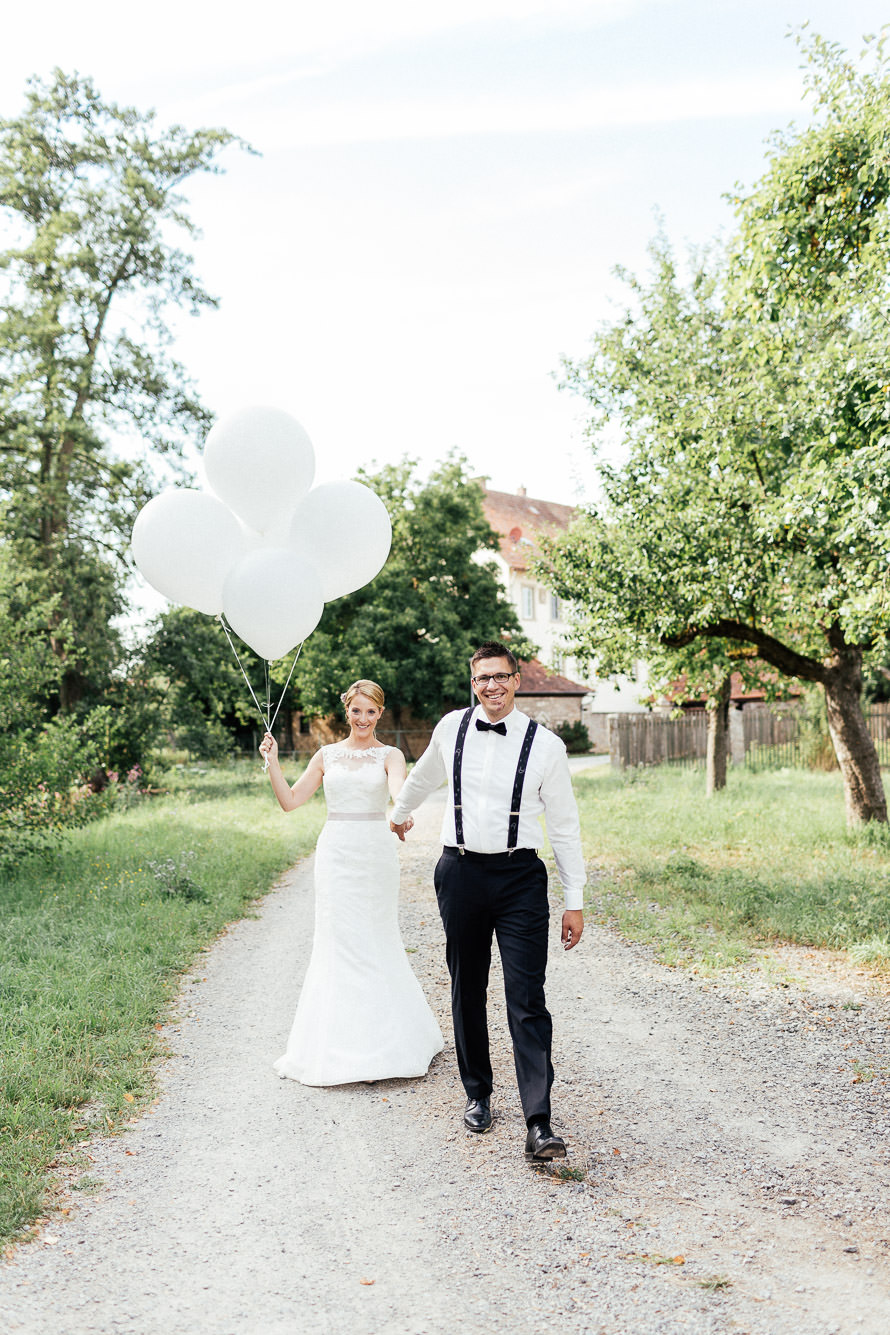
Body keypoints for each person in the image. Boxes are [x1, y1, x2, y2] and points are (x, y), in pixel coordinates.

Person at [389, 641, 585, 1160]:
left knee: (527, 997)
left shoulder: (547, 746)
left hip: (520, 876)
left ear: (517, 680)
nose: (491, 687)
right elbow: (424, 776)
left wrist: (575, 898)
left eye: (500, 677)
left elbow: (564, 827)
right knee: (466, 986)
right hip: (460, 873)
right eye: (482, 679)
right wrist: (398, 812)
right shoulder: (451, 727)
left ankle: (538, 1121)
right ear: (472, 683)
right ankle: (477, 1093)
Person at [259, 680, 443, 1086]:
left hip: (375, 853)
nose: (363, 719)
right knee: (337, 939)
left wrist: (403, 812)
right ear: (347, 712)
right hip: (336, 854)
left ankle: (390, 1040)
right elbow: (290, 801)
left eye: (371, 711)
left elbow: (399, 792)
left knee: (376, 937)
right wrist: (272, 761)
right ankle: (336, 1043)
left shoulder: (391, 755)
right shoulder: (326, 755)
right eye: (356, 711)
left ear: (380, 713)